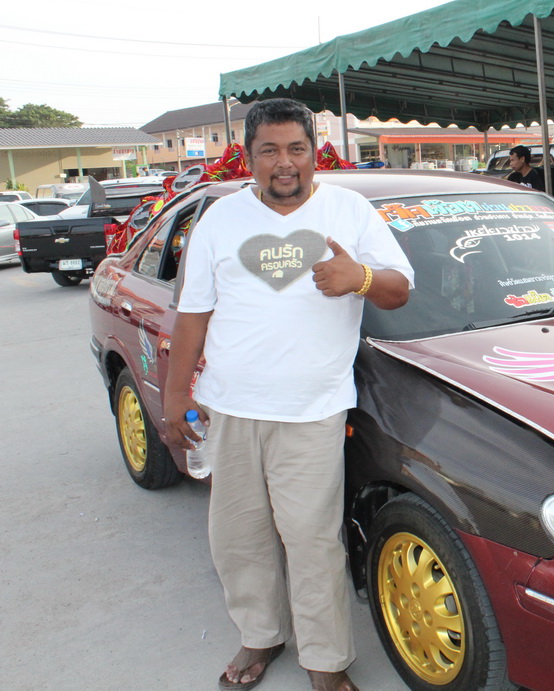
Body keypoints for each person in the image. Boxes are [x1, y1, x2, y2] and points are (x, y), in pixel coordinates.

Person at [164, 98, 414, 691]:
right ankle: (261, 634)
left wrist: (360, 278)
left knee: (313, 541)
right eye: (269, 150)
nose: (285, 163)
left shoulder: (348, 210)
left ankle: (326, 661)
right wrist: (176, 394)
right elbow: (193, 315)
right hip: (230, 406)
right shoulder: (220, 220)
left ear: (314, 152)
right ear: (248, 157)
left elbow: (400, 289)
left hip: (313, 410)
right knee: (238, 536)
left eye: (296, 149)